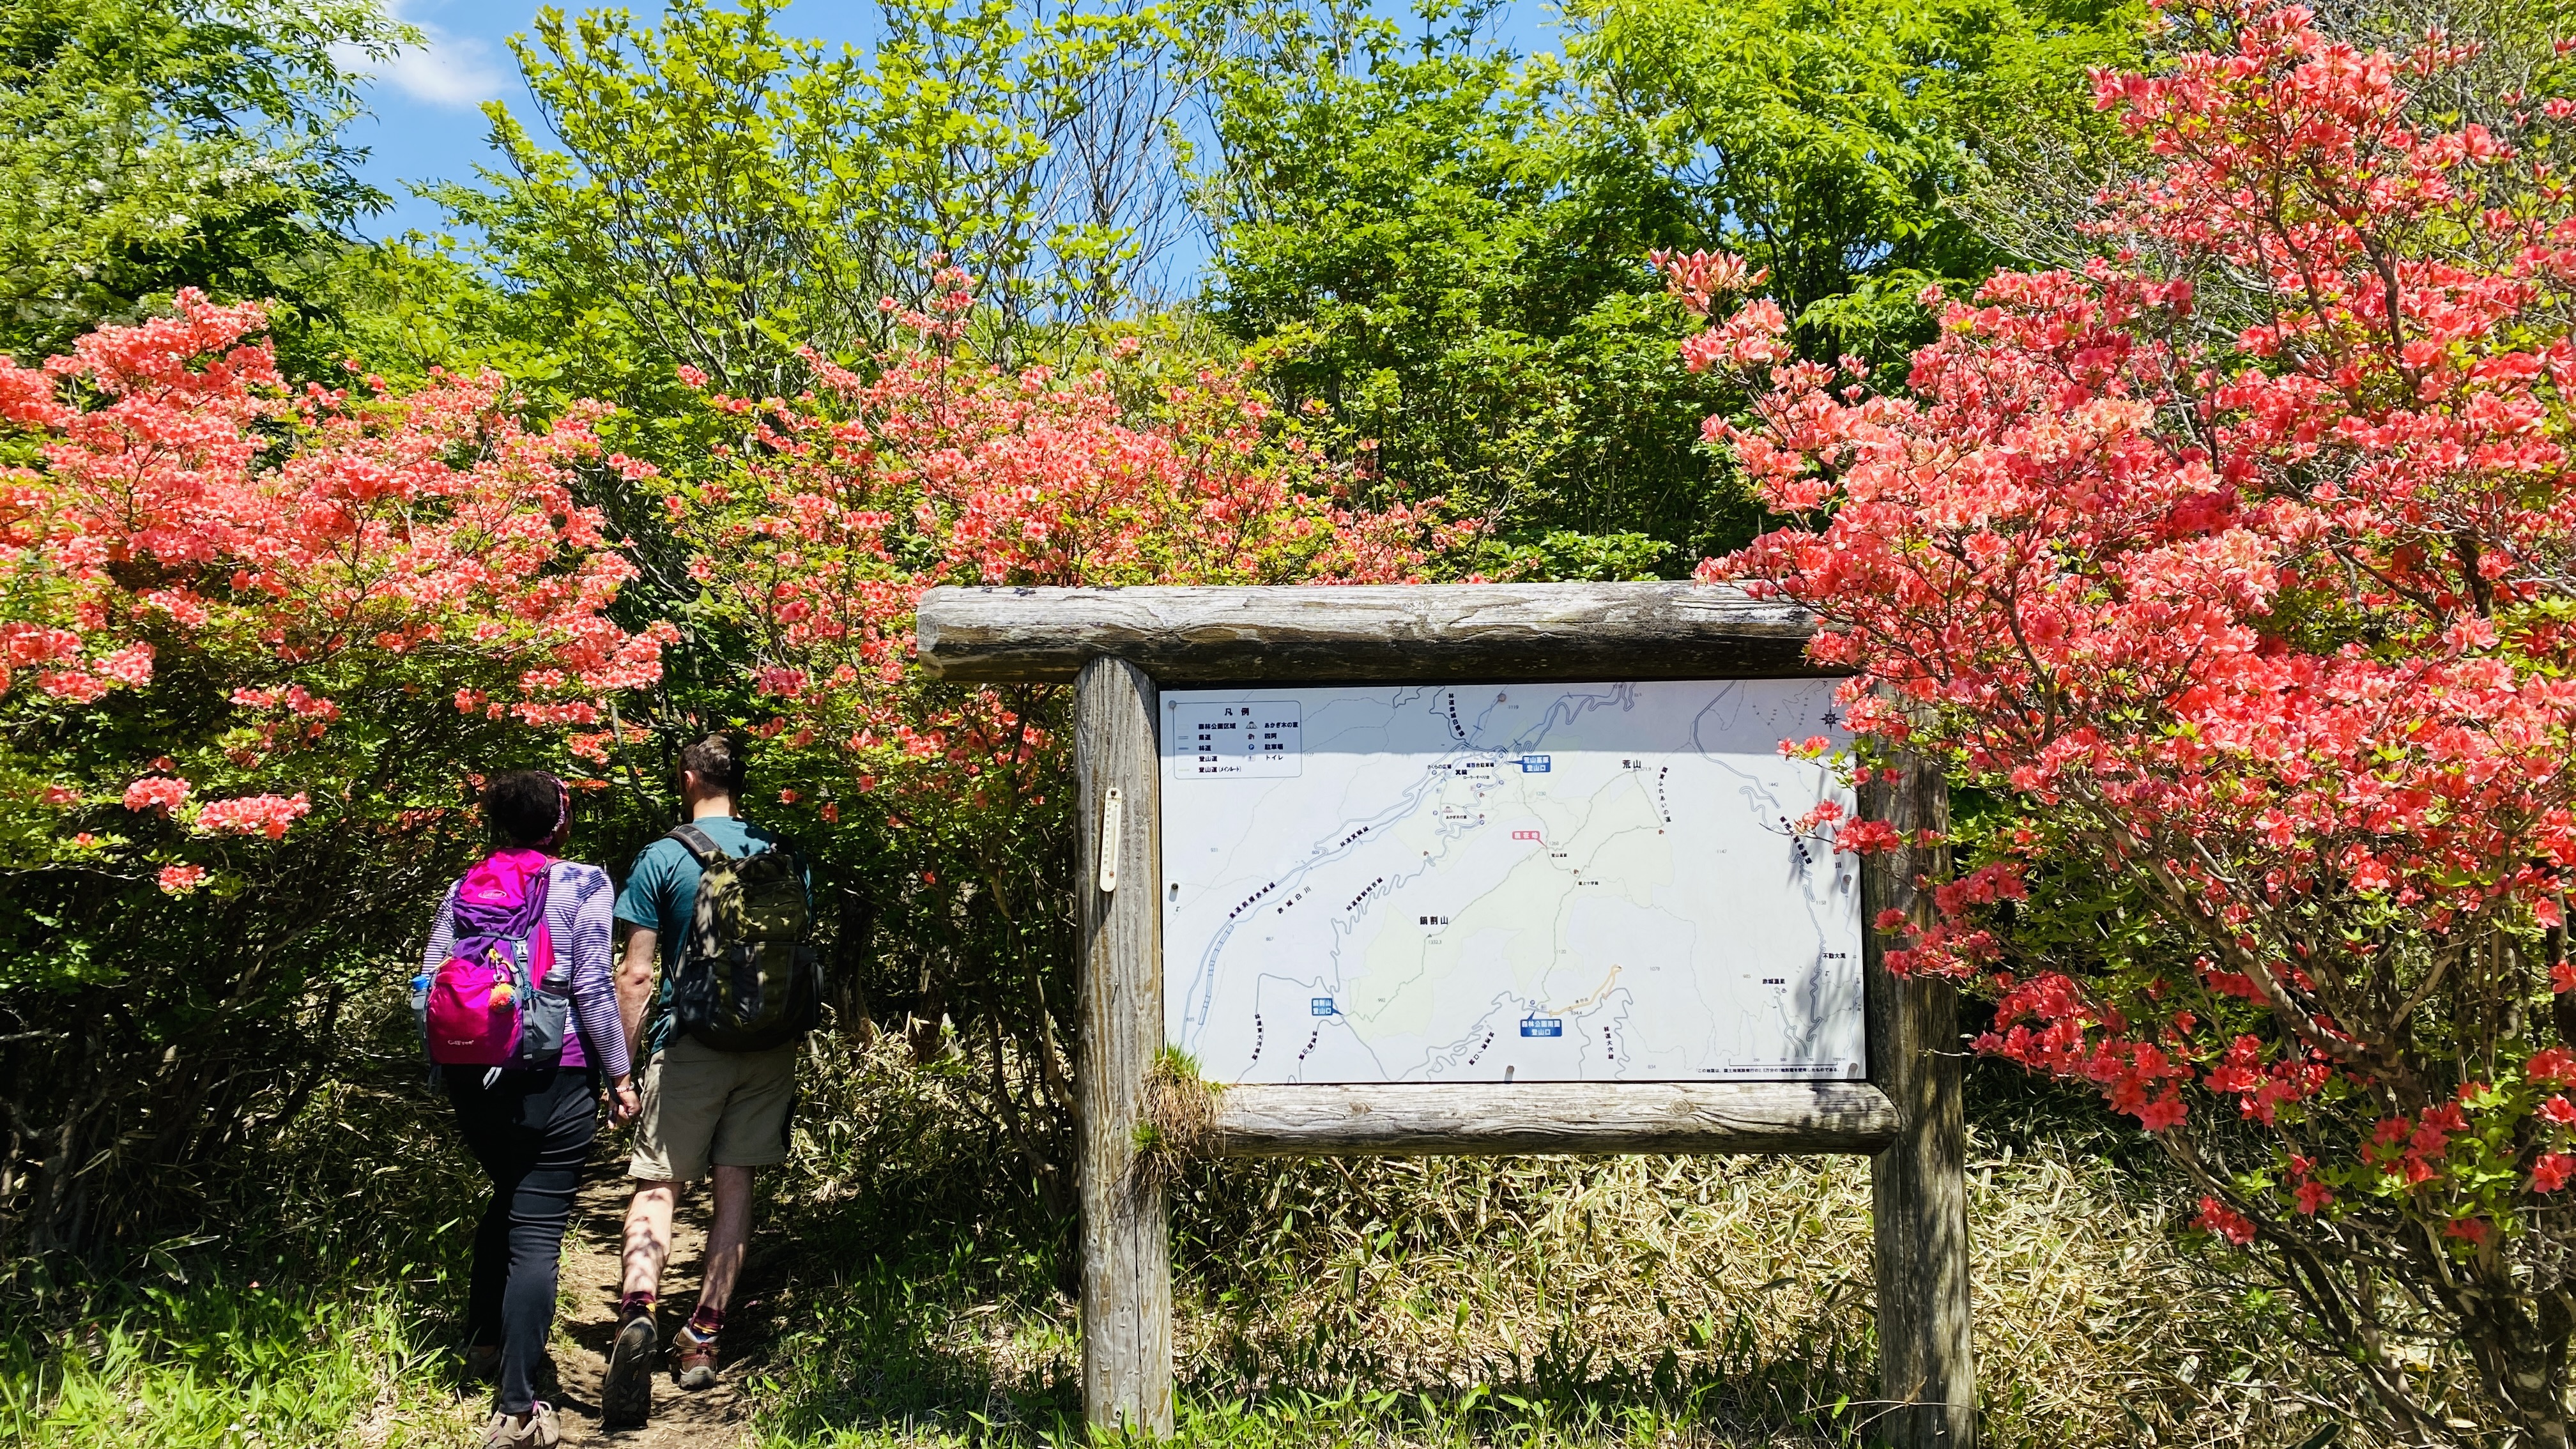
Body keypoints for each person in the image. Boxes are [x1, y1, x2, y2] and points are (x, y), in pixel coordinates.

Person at [422, 770, 637, 1449]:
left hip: (470, 1071)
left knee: (507, 1193)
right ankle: (518, 1406)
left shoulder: (466, 885)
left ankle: (483, 1343)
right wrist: (621, 1075)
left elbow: (428, 977)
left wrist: (446, 1063)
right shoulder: (584, 884)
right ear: (561, 821)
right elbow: (596, 985)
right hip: (556, 1071)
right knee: (537, 1227)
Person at [602, 732, 811, 1426]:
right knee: (735, 1184)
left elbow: (636, 973)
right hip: (769, 1045)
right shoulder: (783, 852)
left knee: (659, 1182)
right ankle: (704, 1336)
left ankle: (638, 1311)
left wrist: (620, 1066)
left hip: (689, 1044)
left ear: (689, 778)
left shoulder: (664, 857)